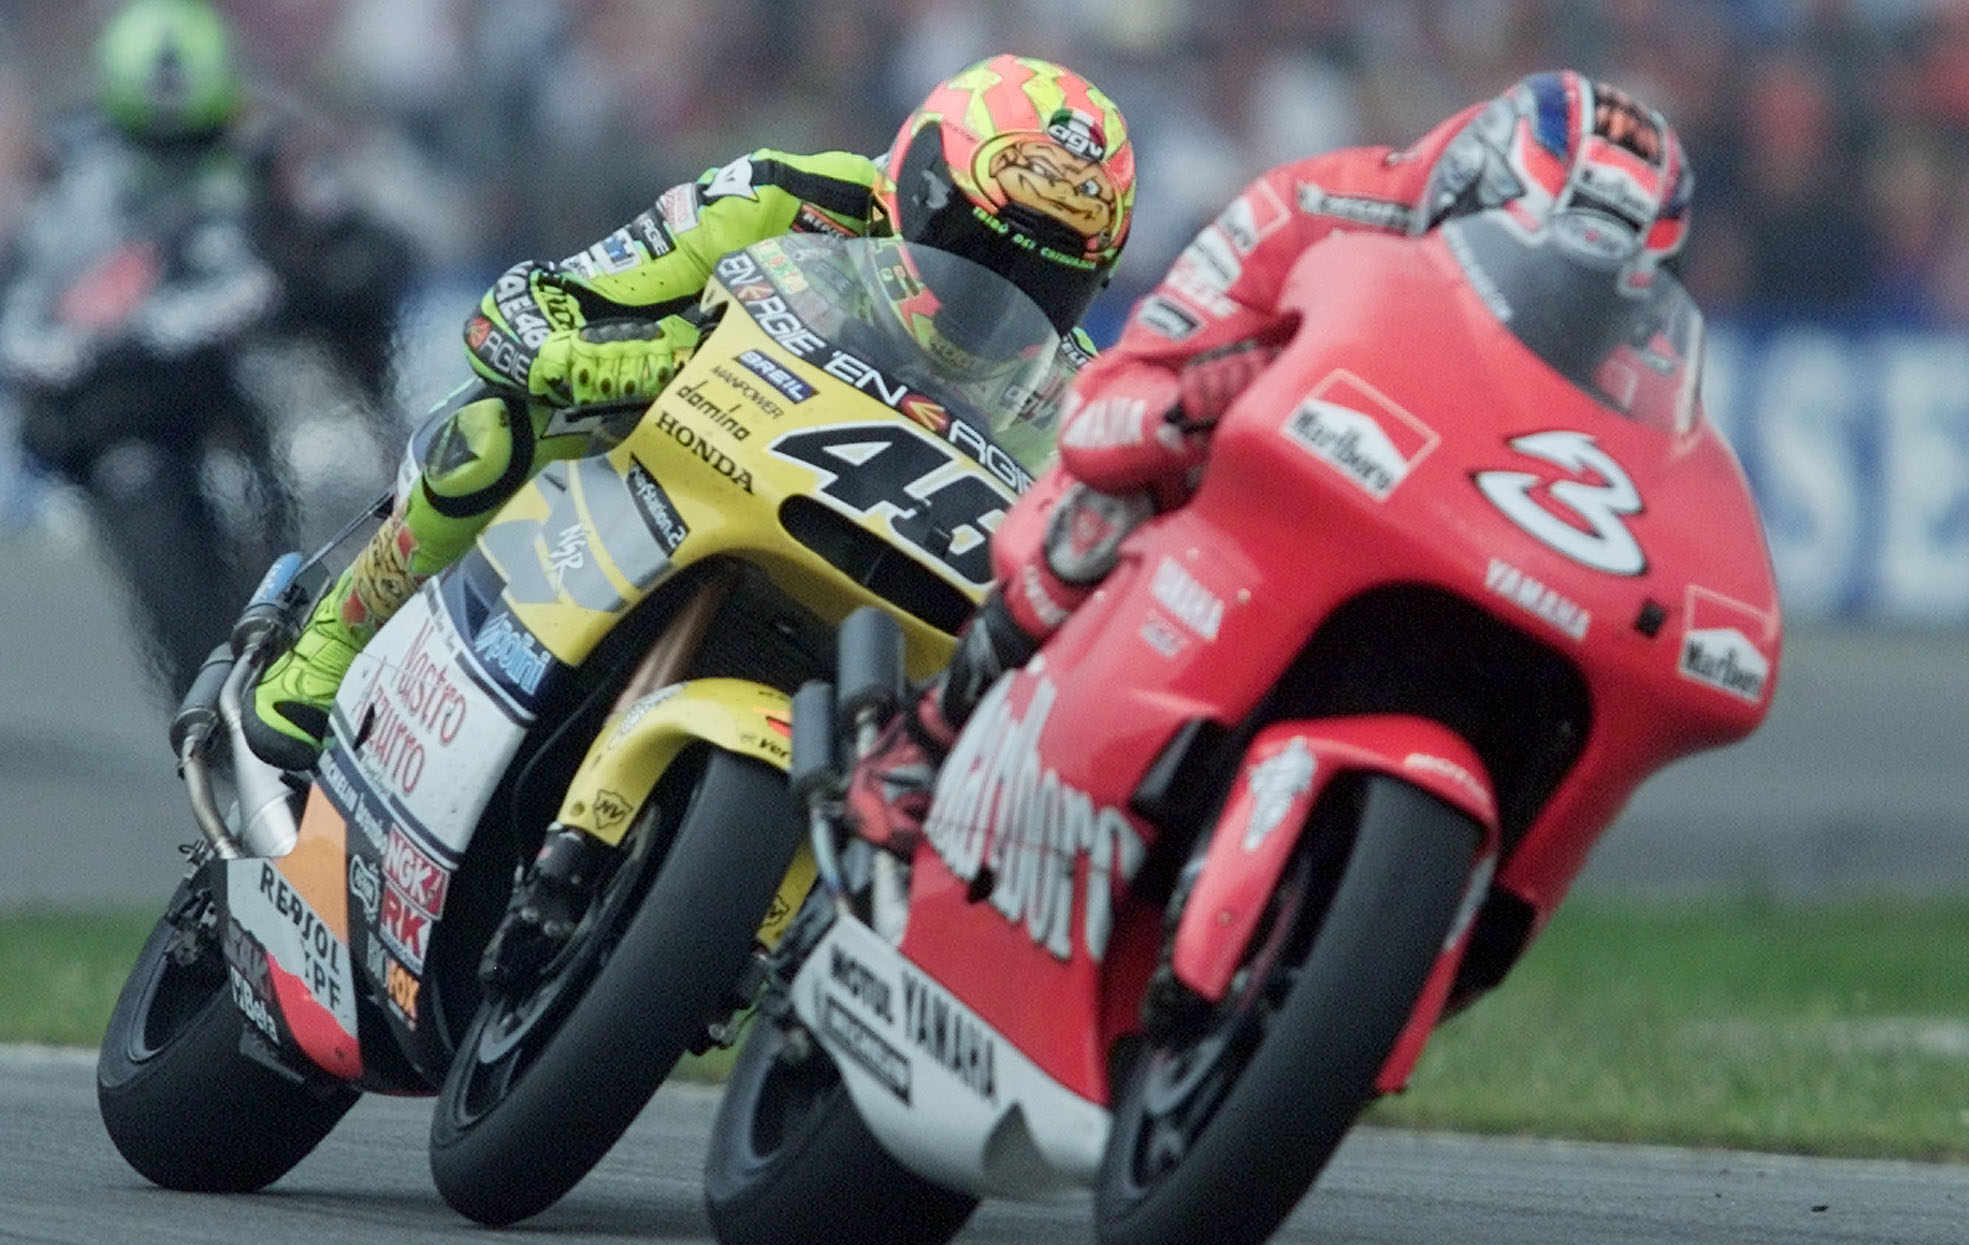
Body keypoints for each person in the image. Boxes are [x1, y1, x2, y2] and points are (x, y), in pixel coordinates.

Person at [844, 69, 1694, 853]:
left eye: (1603, 285)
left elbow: (1653, 510)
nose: (1564, 304)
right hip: (1252, 491)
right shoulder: (1315, 205)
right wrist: (1195, 405)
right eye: (1545, 262)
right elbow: (1106, 408)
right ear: (1467, 191)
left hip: (1444, 524)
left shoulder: (1637, 355)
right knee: (1106, 501)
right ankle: (930, 734)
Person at [243, 52, 1137, 770]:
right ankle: (328, 650)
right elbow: (541, 302)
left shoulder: (1072, 388)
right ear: (912, 185)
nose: (996, 294)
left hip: (876, 582)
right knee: (491, 431)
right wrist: (589, 357)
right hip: (678, 460)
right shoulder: (792, 196)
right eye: (973, 250)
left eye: (1041, 281)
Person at [0, 0, 414, 696]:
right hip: (144, 403)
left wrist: (312, 275)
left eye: (191, 140)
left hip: (280, 391)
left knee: (345, 498)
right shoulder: (72, 171)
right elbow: (30, 304)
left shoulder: (274, 149)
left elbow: (376, 254)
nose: (177, 160)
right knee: (135, 489)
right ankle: (220, 691)